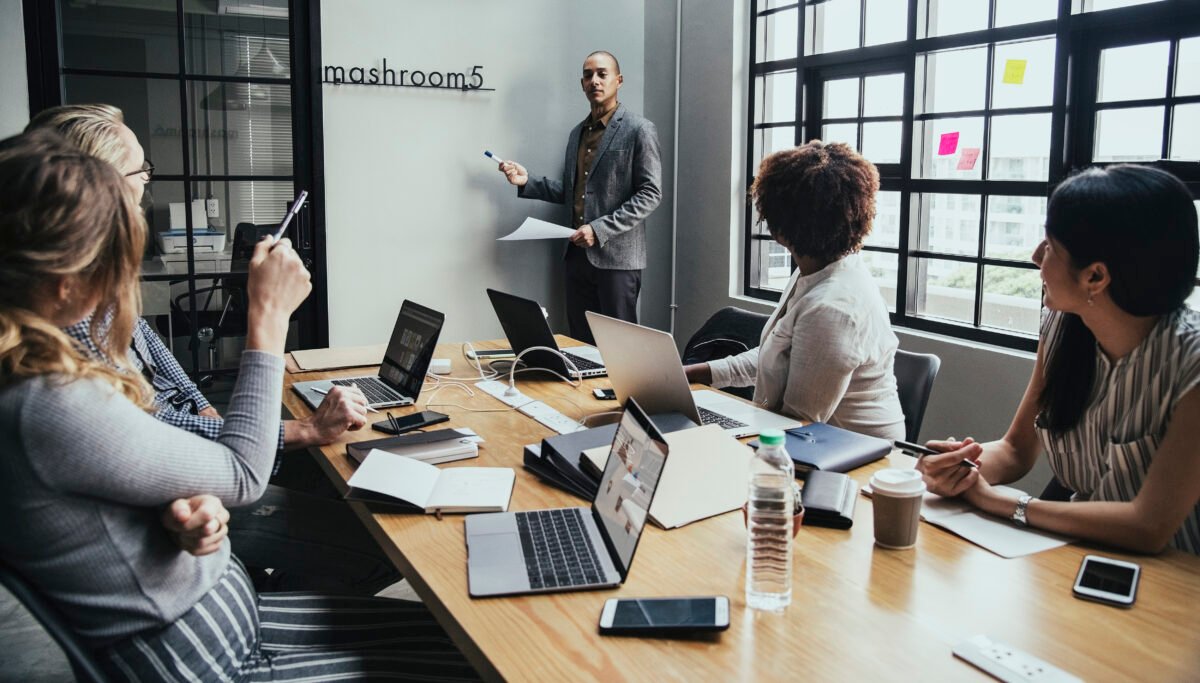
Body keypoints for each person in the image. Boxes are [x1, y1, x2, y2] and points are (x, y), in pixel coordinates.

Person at [0, 130, 477, 681]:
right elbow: (244, 474)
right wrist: (266, 317)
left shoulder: (36, 380)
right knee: (473, 665)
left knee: (460, 644)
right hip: (204, 662)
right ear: (65, 279)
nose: (119, 286)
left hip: (221, 626)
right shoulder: (47, 401)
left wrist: (168, 512)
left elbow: (96, 498)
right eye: (114, 260)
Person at [26, 104, 400, 594]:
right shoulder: (67, 331)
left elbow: (174, 379)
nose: (146, 185)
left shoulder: (105, 293)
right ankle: (258, 599)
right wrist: (266, 316)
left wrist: (220, 422)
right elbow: (204, 456)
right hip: (185, 490)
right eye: (140, 171)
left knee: (344, 481)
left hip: (198, 467)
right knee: (386, 541)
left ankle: (265, 585)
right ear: (100, 189)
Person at [917, 165, 1200, 555]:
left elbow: (1148, 526)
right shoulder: (1062, 327)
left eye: (1049, 245)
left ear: (1096, 277)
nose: (1035, 256)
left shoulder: (1191, 364)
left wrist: (999, 501)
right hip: (1073, 556)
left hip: (1174, 585)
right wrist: (964, 469)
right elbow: (1016, 450)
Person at [683, 141, 905, 440]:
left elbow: (797, 425)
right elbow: (778, 355)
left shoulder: (831, 307)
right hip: (810, 441)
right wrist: (694, 373)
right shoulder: (817, 269)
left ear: (779, 227)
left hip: (853, 465)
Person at [498, 50, 662, 344]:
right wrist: (527, 181)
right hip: (576, 258)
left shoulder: (639, 130)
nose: (594, 81)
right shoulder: (577, 134)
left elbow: (650, 194)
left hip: (617, 261)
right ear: (582, 83)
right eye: (588, 75)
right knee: (581, 344)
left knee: (620, 345)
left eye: (602, 74)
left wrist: (599, 230)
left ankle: (621, 393)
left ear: (619, 80)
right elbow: (576, 191)